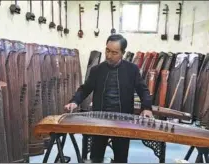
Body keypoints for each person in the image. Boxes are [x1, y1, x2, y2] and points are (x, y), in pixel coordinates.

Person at [64, 34, 153, 163]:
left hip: (123, 120)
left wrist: (147, 108)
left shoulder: (131, 70)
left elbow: (143, 90)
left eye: (114, 52)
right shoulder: (97, 70)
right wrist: (74, 101)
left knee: (121, 158)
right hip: (100, 120)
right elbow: (85, 89)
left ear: (122, 53)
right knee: (96, 157)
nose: (109, 56)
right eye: (107, 50)